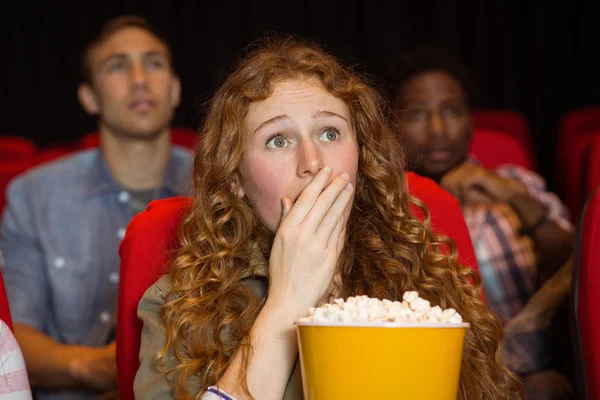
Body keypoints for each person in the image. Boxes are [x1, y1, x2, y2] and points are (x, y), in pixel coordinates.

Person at [133, 36, 522, 400]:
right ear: (236, 179)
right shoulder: (178, 305)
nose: (313, 162)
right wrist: (287, 304)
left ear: (360, 155)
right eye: (278, 140)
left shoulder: (424, 273)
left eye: (330, 134)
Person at [0, 15, 192, 399]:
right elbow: (14, 334)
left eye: (154, 63)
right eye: (118, 66)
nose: (140, 78)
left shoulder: (221, 184)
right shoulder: (33, 196)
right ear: (89, 96)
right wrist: (96, 368)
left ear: (174, 90)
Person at [389, 47, 574, 399]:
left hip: (524, 367)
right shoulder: (384, 205)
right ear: (391, 124)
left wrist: (516, 198)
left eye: (451, 111)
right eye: (416, 114)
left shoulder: (516, 184)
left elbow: (578, 275)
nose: (438, 129)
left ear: (471, 120)